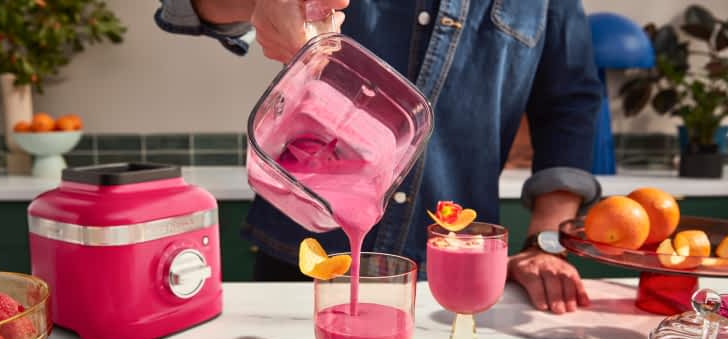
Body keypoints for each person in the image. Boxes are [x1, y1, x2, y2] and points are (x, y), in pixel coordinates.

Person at [154, 0, 604, 314]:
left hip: (451, 272)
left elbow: (568, 103)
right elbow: (187, 8)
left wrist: (543, 243)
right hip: (305, 259)